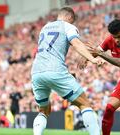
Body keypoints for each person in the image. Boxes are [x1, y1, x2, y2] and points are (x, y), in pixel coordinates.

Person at [31, 7, 101, 135]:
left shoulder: (45, 28)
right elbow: (76, 43)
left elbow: (50, 52)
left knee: (43, 110)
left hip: (36, 72)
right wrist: (92, 58)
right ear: (69, 18)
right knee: (84, 104)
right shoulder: (68, 26)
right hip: (55, 70)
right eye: (72, 21)